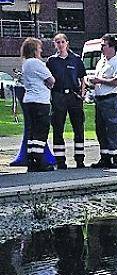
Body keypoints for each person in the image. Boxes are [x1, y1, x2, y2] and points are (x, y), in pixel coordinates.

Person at [46, 33, 86, 169]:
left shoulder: (76, 59)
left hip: (74, 96)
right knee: (58, 128)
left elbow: (82, 79)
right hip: (58, 96)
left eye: (62, 42)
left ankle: (80, 159)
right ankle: (60, 160)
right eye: (57, 42)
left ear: (67, 43)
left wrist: (82, 93)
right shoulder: (52, 61)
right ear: (54, 44)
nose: (60, 45)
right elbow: (47, 79)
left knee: (79, 128)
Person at [89, 34, 117, 168]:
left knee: (112, 129)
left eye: (104, 45)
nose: (101, 48)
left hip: (110, 100)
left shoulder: (116, 63)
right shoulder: (101, 62)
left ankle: (116, 158)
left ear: (112, 47)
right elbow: (99, 80)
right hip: (99, 100)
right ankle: (105, 157)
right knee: (101, 129)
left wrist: (99, 81)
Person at [20, 37, 55, 172]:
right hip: (40, 100)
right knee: (41, 131)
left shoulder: (26, 63)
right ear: (34, 50)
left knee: (32, 131)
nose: (41, 50)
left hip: (29, 100)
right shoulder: (36, 63)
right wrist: (48, 84)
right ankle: (38, 159)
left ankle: (31, 159)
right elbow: (51, 80)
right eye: (39, 48)